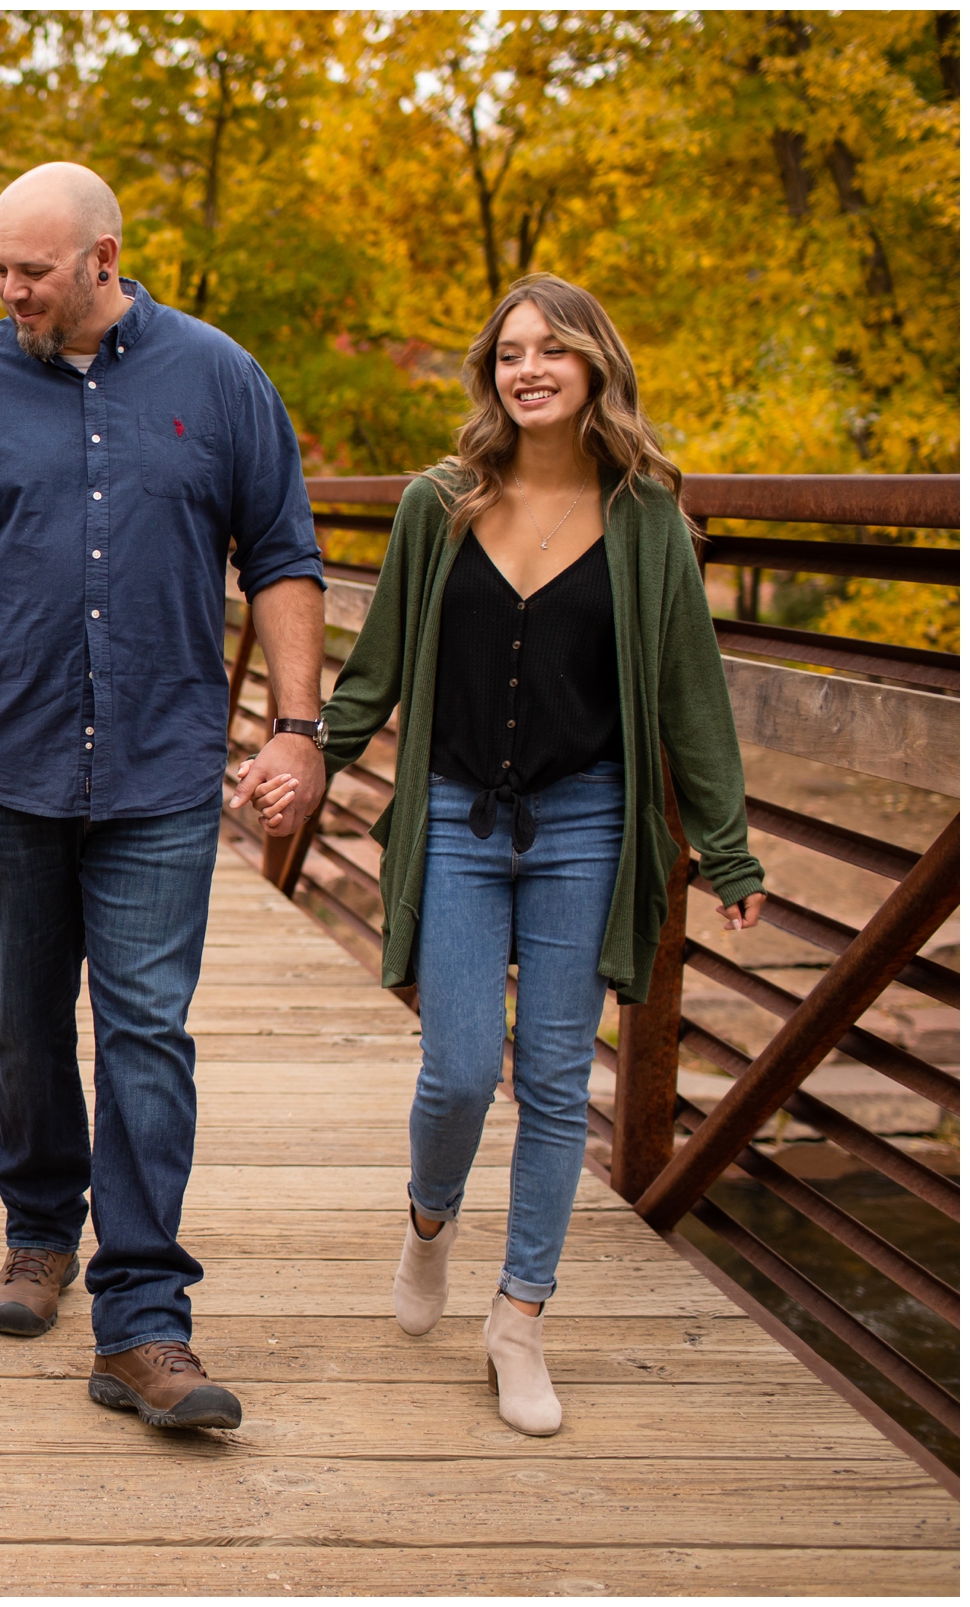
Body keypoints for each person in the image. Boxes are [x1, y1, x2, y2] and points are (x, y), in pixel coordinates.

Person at [237, 272, 767, 1436]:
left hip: (587, 824)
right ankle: (431, 1220)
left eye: (553, 351)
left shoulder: (648, 518)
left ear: (595, 367)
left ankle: (519, 1317)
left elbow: (690, 699)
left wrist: (725, 854)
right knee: (462, 1069)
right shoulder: (442, 504)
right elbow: (372, 672)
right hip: (459, 818)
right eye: (511, 352)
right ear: (492, 372)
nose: (529, 369)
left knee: (557, 1082)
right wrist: (303, 754)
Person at [0, 161, 327, 1433]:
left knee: (145, 1033)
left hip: (161, 770)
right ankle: (37, 1227)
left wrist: (297, 727)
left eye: (35, 271)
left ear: (105, 258)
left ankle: (144, 1316)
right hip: (6, 761)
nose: (12, 290)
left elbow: (283, 554)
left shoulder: (219, 378)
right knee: (22, 1019)